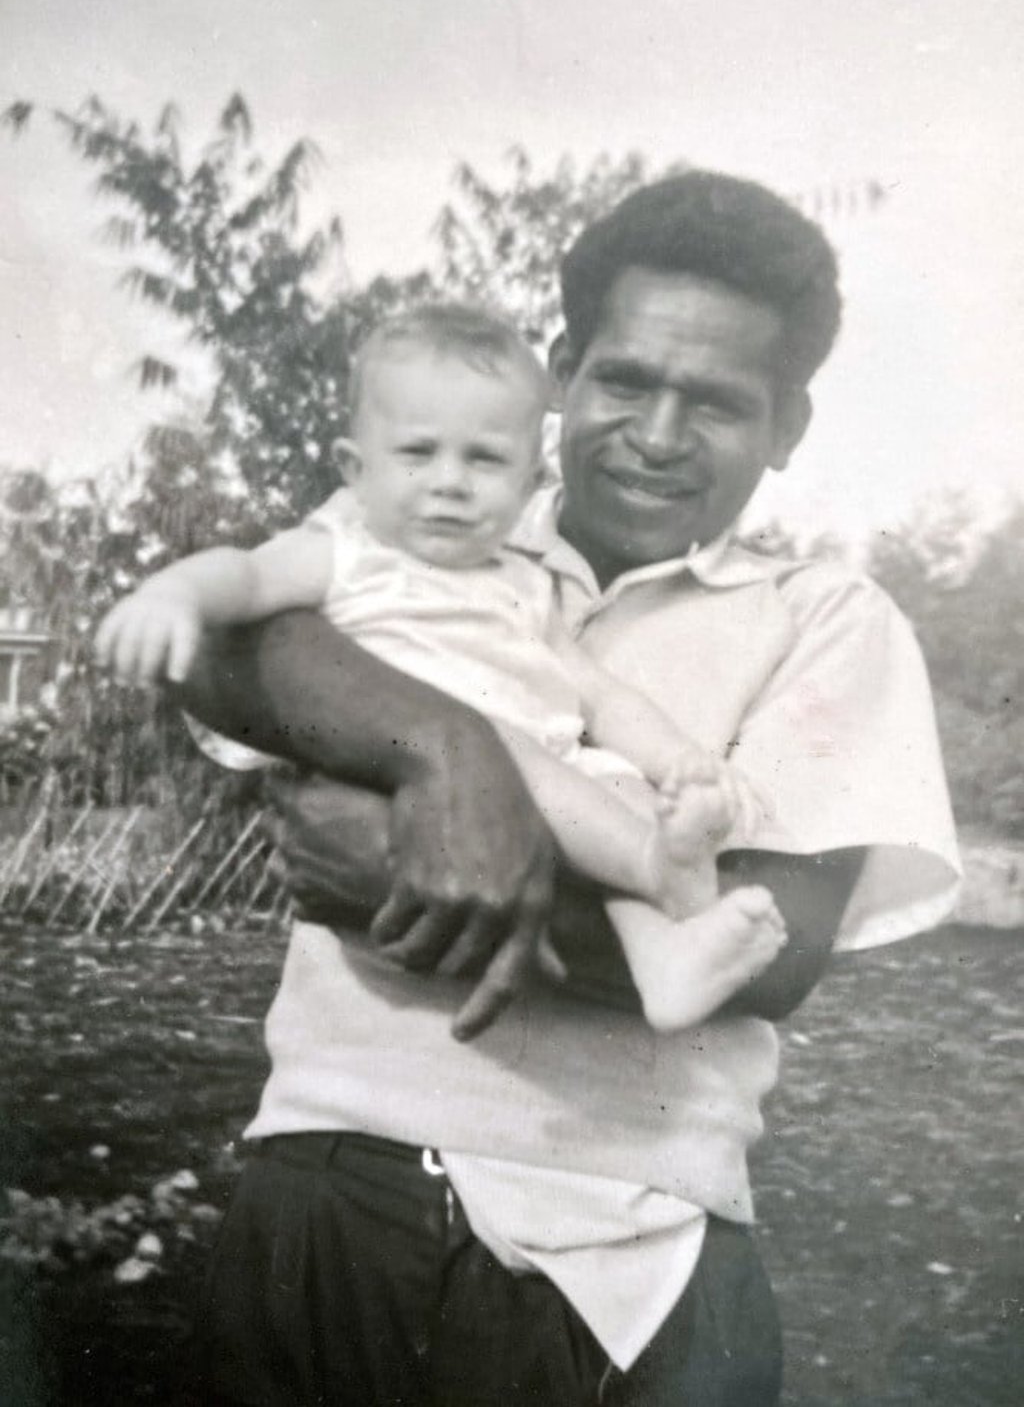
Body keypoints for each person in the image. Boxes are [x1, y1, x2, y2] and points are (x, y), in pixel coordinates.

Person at [171, 170, 961, 1406]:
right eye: (624, 380)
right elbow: (235, 649)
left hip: (635, 1236)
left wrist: (401, 876)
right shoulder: (433, 517)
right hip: (334, 1170)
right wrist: (444, 748)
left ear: (788, 426)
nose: (654, 434)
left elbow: (776, 952)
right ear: (562, 371)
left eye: (715, 403)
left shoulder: (824, 619)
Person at [96, 301, 786, 1029]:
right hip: (428, 780)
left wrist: (680, 760)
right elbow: (247, 579)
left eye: (484, 459)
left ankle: (666, 963)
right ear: (355, 470)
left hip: (553, 775)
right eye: (418, 453)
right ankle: (656, 868)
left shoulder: (522, 580)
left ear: (527, 483)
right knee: (530, 763)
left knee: (622, 784)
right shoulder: (348, 552)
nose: (450, 482)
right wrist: (173, 591)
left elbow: (599, 695)